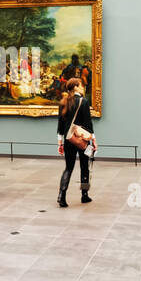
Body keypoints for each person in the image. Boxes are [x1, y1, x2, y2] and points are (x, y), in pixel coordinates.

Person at [56, 78, 96, 207]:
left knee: (68, 168)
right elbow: (88, 123)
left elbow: (60, 124)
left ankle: (61, 196)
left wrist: (60, 143)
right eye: (81, 85)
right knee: (85, 167)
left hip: (69, 139)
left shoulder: (63, 102)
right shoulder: (83, 101)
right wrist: (93, 140)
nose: (83, 87)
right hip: (82, 140)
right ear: (76, 87)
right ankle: (84, 195)